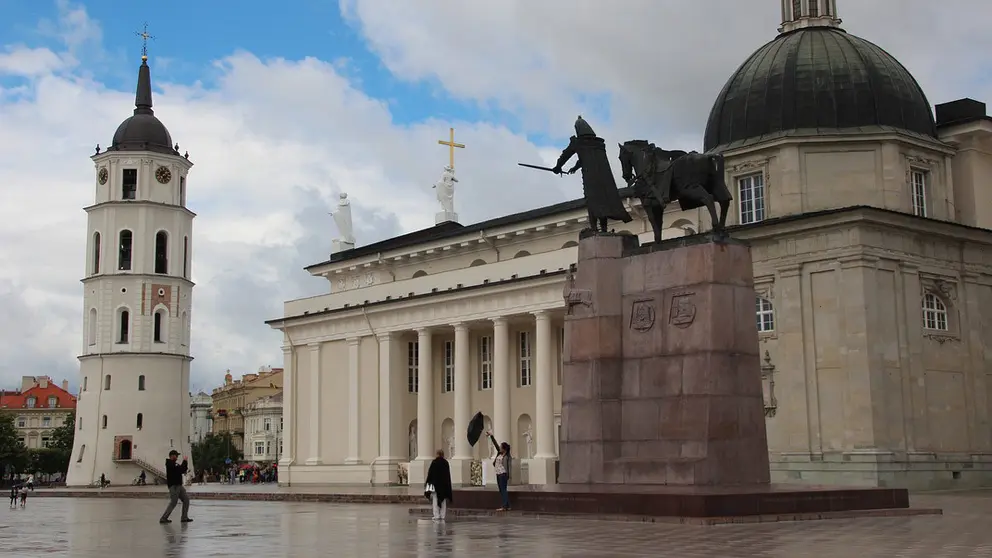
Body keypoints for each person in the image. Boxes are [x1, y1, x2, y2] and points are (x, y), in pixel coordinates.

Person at [159, 450, 192, 524]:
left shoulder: (175, 464)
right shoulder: (169, 463)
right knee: (173, 502)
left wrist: (185, 461)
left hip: (179, 485)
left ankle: (184, 517)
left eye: (177, 456)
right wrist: (184, 462)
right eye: (176, 455)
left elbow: (183, 470)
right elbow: (180, 469)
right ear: (171, 456)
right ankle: (163, 518)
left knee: (186, 500)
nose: (177, 457)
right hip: (174, 486)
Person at [486, 430, 512, 511]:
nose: (500, 448)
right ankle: (507, 505)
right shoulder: (499, 453)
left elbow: (509, 466)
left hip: (503, 474)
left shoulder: (507, 457)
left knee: (503, 490)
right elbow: (495, 444)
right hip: (498, 474)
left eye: (501, 447)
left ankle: (504, 506)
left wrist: (508, 475)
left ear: (504, 449)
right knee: (501, 490)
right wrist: (491, 436)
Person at [424, 449, 452, 522]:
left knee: (435, 499)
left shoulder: (434, 462)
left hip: (435, 485)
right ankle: (443, 515)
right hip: (444, 485)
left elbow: (430, 474)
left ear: (437, 454)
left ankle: (436, 515)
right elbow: (447, 475)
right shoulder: (446, 463)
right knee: (443, 500)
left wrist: (428, 483)